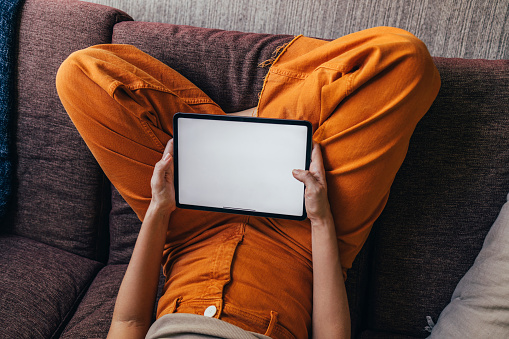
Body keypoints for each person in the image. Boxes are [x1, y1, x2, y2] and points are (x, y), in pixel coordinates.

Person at [56, 26, 440, 339]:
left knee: (81, 73)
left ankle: (239, 127)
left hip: (187, 223)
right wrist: (321, 219)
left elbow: (129, 324)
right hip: (303, 240)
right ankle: (256, 127)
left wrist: (159, 207)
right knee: (404, 59)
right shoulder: (315, 226)